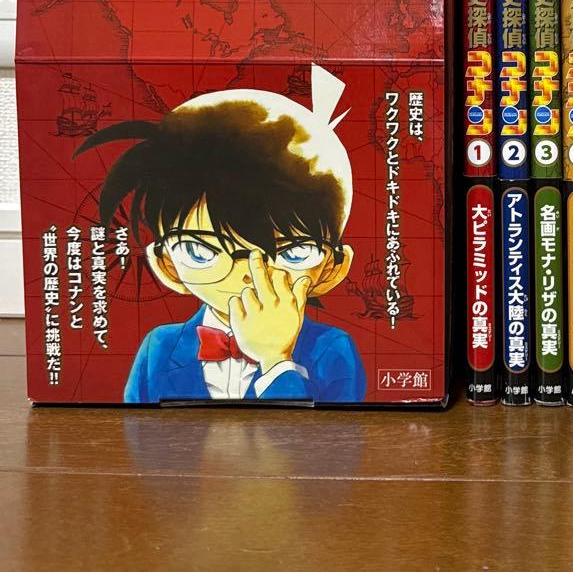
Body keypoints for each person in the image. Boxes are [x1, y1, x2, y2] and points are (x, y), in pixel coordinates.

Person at [75, 66, 365, 403]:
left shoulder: (332, 350)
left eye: (292, 252)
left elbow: (323, 434)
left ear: (332, 268)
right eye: (202, 250)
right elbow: (140, 429)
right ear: (166, 265)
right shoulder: (160, 348)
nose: (250, 272)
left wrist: (276, 360)